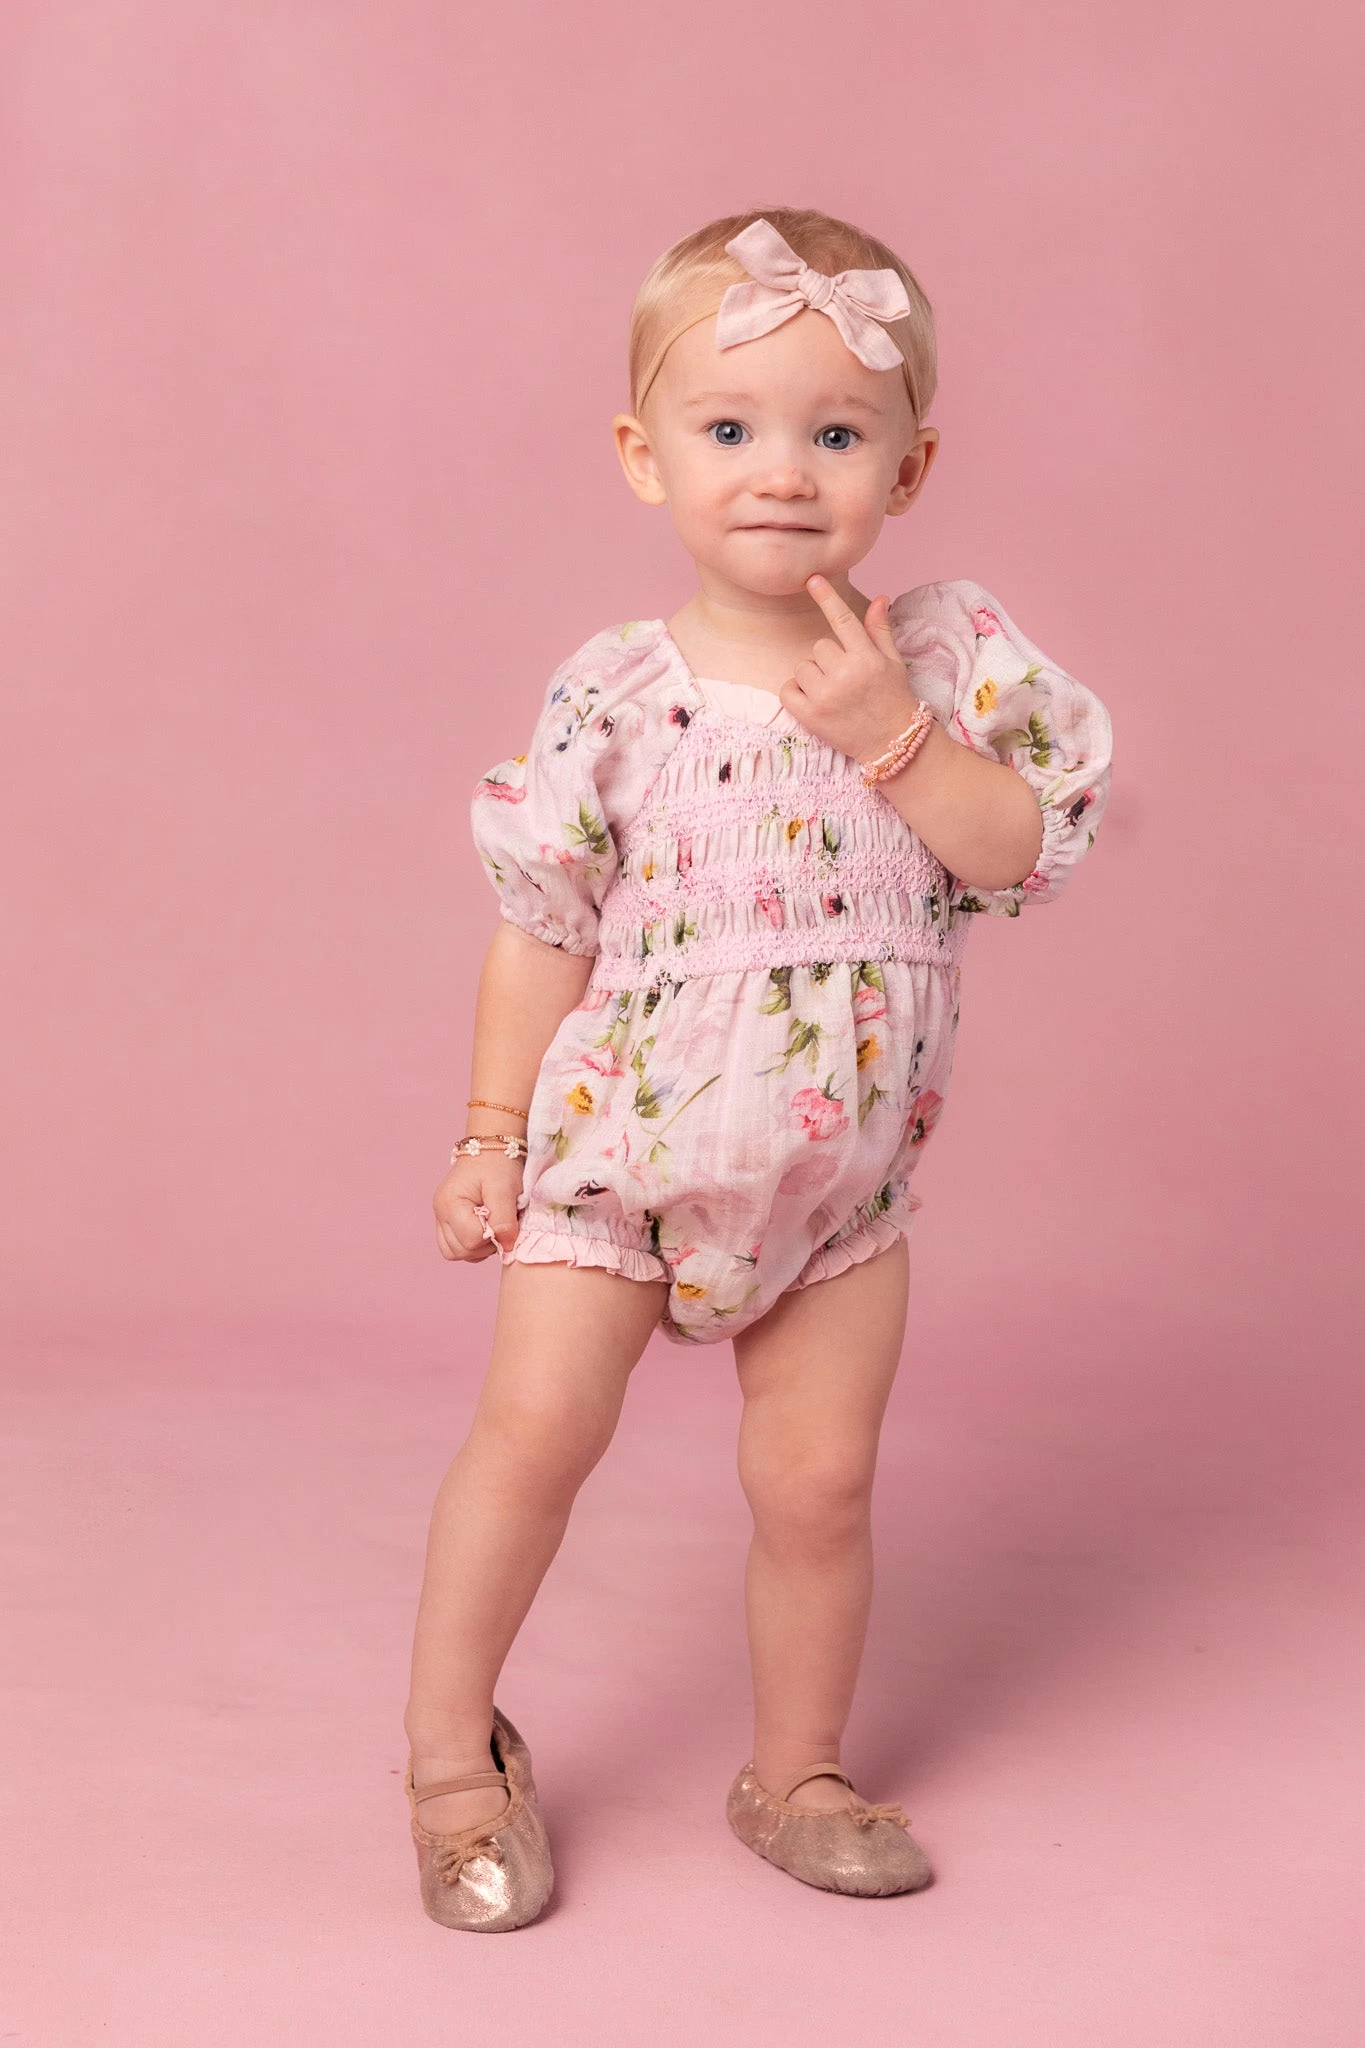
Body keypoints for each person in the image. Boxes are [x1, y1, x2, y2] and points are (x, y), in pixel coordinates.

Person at [402, 208, 1115, 1930]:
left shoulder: (940, 667)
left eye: (837, 433)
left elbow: (1019, 850)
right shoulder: (618, 696)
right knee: (535, 1436)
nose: (784, 471)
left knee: (820, 1484)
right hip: (619, 1156)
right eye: (730, 428)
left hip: (841, 1186)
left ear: (909, 467)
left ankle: (795, 1771)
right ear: (646, 458)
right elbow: (541, 929)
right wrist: (489, 1133)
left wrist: (896, 740)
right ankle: (448, 1762)